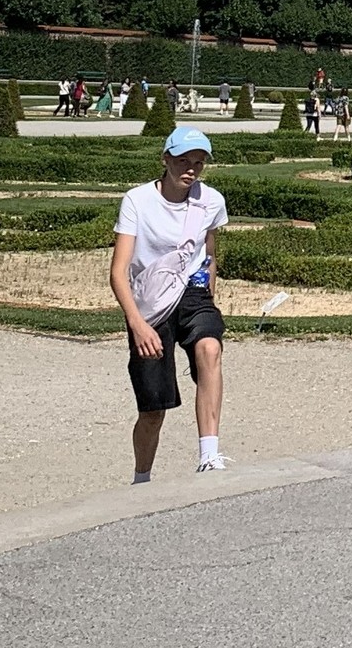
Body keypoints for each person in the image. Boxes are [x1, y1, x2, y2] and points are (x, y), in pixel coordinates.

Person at [110, 126, 230, 480]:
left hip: (191, 292)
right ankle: (142, 478)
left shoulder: (211, 200)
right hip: (150, 302)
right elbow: (118, 272)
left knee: (210, 348)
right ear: (165, 159)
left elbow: (209, 249)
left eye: (198, 162)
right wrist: (138, 325)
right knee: (153, 410)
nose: (191, 169)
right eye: (182, 161)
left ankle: (209, 455)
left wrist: (208, 291)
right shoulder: (137, 200)